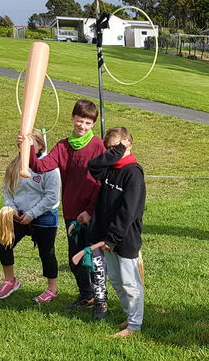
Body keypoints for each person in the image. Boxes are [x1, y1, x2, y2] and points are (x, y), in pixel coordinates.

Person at [25, 99, 108, 318]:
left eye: (88, 123)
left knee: (95, 259)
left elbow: (100, 182)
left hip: (91, 213)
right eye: (80, 121)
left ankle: (101, 301)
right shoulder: (63, 146)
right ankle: (86, 296)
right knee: (75, 259)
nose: (83, 126)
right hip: (72, 213)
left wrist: (89, 210)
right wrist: (29, 147)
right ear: (72, 118)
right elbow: (40, 166)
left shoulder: (98, 146)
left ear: (93, 124)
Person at [80, 127, 146, 337]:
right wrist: (115, 152)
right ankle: (129, 315)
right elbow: (93, 166)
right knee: (116, 280)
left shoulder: (133, 173)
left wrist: (113, 238)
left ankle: (135, 325)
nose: (112, 152)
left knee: (129, 282)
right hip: (106, 236)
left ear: (129, 144)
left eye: (116, 147)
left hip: (124, 238)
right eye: (108, 149)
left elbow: (128, 211)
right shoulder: (109, 169)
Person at [0, 130, 61, 302]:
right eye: (22, 143)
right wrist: (12, 208)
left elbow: (52, 197)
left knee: (46, 253)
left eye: (30, 144)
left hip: (44, 215)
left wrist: (32, 214)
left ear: (40, 145)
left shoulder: (49, 166)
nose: (25, 147)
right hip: (18, 215)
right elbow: (7, 189)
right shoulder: (14, 164)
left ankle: (52, 289)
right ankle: (10, 281)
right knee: (3, 243)